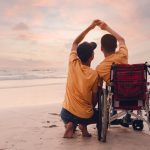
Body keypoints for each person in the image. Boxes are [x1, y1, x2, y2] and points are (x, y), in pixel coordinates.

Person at [60, 20, 99, 138]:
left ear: (78, 55)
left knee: (72, 111)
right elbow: (94, 98)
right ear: (92, 57)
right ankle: (83, 126)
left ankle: (70, 124)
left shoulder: (73, 62)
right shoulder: (94, 74)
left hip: (65, 113)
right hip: (85, 116)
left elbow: (76, 42)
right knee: (95, 112)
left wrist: (90, 27)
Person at [96, 21, 130, 127]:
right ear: (116, 46)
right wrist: (106, 28)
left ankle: (112, 113)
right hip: (133, 91)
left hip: (116, 95)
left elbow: (99, 88)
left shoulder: (100, 68)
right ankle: (126, 115)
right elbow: (121, 40)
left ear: (101, 49)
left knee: (109, 86)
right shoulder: (123, 55)